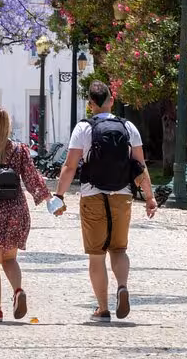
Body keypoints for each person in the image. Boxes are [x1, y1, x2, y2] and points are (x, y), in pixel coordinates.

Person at [55, 81, 156, 322]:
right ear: (111, 100)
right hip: (122, 195)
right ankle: (122, 286)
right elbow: (140, 166)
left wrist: (58, 196)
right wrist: (150, 197)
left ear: (90, 104)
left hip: (93, 196)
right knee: (119, 249)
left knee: (97, 255)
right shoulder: (128, 126)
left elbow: (70, 167)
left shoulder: (83, 128)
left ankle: (102, 308)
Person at [0, 107, 58, 322]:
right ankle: (17, 290)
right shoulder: (19, 150)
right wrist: (48, 199)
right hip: (15, 210)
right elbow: (33, 179)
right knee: (10, 258)